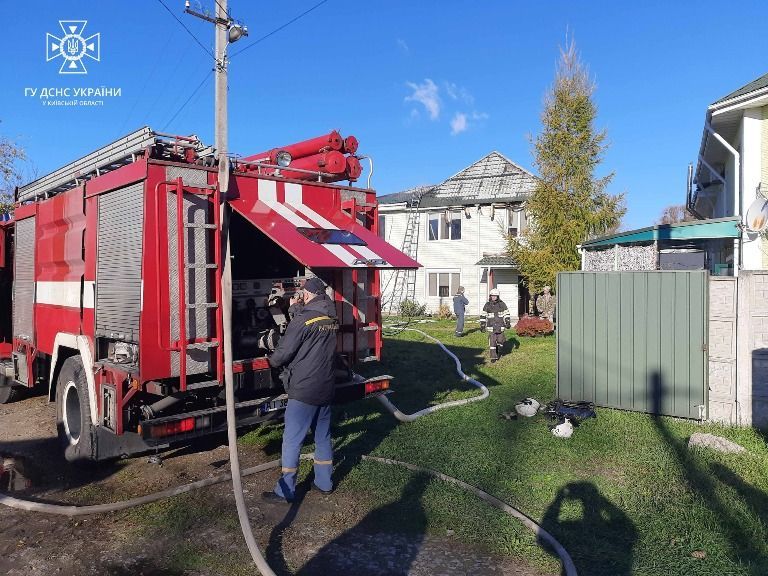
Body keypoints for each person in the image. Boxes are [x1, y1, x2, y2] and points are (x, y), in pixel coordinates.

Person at [262, 277, 339, 504]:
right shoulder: (330, 317)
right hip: (326, 386)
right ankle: (324, 483)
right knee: (322, 437)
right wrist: (296, 307)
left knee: (292, 440)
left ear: (306, 295)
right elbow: (309, 325)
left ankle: (285, 491)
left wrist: (271, 359)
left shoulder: (303, 320)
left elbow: (283, 355)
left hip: (304, 389)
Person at [479, 288, 510, 362]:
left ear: (498, 296)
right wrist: (482, 325)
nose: (493, 297)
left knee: (500, 341)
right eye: (492, 296)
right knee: (492, 342)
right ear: (490, 296)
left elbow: (506, 314)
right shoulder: (487, 305)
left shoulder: (502, 304)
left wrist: (507, 322)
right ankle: (493, 357)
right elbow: (483, 315)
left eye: (495, 296)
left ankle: (499, 350)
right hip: (491, 327)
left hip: (500, 326)